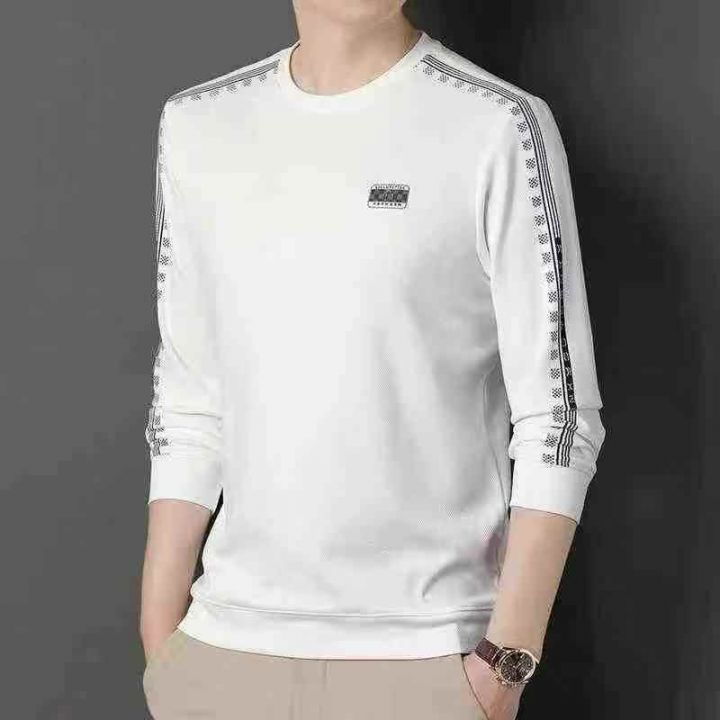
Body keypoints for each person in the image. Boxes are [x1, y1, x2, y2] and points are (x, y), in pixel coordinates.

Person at [139, 2, 606, 719]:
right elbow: (189, 398)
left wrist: (503, 663)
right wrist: (162, 641)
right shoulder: (199, 125)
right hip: (220, 656)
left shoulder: (499, 125)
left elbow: (560, 417)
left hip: (429, 662)